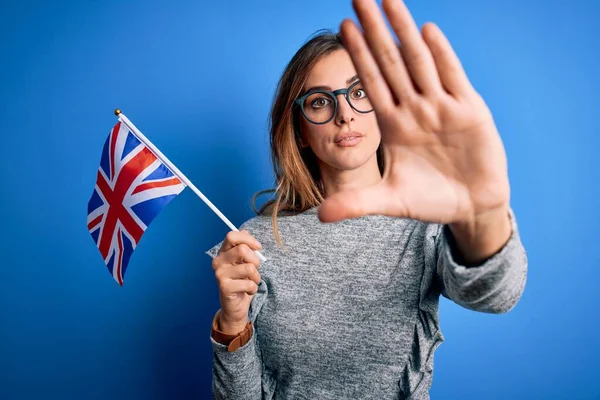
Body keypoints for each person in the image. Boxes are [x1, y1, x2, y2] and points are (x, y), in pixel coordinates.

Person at [206, 0, 528, 398]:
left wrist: (483, 213)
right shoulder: (256, 242)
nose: (345, 114)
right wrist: (231, 323)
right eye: (320, 101)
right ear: (300, 130)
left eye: (360, 92)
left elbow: (498, 295)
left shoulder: (427, 225)